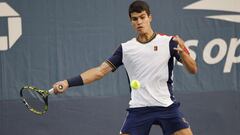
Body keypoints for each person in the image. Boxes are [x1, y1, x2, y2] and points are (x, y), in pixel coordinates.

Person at [53, 0, 197, 135]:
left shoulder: (169, 42)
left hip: (167, 107)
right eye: (135, 19)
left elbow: (193, 70)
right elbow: (99, 72)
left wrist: (184, 55)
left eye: (142, 17)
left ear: (150, 17)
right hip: (139, 109)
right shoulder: (126, 49)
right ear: (131, 22)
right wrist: (67, 82)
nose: (139, 22)